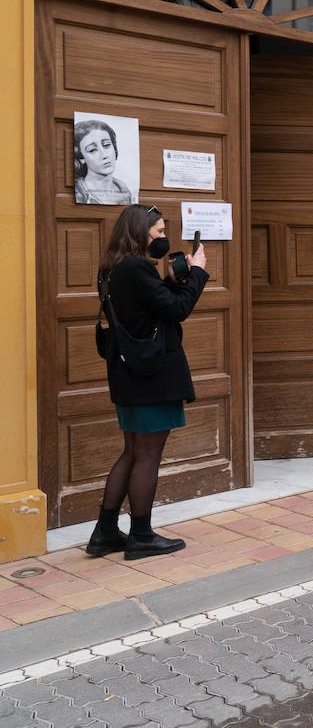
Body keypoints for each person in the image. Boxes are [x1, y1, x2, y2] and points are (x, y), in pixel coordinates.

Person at [88, 204, 208, 559]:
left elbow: (148, 307)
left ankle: (106, 532)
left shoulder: (112, 270)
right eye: (157, 232)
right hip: (150, 376)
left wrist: (170, 281)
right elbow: (176, 310)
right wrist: (198, 273)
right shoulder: (138, 268)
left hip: (128, 375)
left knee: (132, 452)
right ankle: (141, 536)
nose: (162, 238)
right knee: (147, 457)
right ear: (140, 233)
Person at [74, 119, 133, 205]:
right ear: (81, 158)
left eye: (106, 145)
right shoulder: (78, 192)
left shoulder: (124, 190)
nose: (104, 155)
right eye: (92, 150)